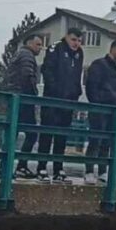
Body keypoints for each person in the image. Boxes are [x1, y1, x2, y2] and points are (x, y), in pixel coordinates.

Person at [37, 27, 84, 184]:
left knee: (61, 136)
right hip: (52, 99)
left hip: (68, 101)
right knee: (47, 134)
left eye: (78, 40)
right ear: (66, 37)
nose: (76, 43)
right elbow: (47, 70)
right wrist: (55, 90)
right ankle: (41, 167)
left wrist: (76, 92)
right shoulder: (55, 48)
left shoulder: (79, 53)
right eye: (73, 39)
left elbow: (77, 75)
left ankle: (58, 169)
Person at [83, 39, 116, 185]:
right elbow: (92, 86)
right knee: (95, 140)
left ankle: (103, 171)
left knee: (107, 142)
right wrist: (97, 104)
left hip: (115, 110)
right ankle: (89, 171)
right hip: (100, 108)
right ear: (113, 49)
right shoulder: (99, 65)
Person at [3, 33, 43, 179]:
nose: (40, 48)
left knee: (12, 133)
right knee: (31, 133)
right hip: (23, 99)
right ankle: (21, 166)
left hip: (15, 97)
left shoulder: (20, 54)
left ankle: (6, 167)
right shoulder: (27, 56)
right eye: (38, 44)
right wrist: (33, 95)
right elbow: (27, 76)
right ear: (30, 44)